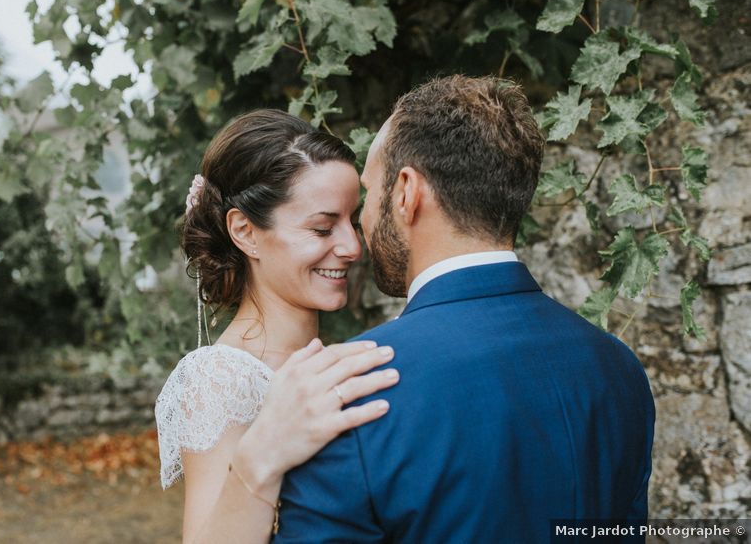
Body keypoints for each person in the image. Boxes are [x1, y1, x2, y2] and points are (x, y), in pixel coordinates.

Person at [273, 75, 656, 543]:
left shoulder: (348, 390)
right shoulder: (618, 366)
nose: (360, 231)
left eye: (370, 195)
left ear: (406, 192)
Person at [154, 109, 400, 544]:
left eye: (351, 220)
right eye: (323, 228)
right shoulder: (220, 380)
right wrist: (266, 450)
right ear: (245, 232)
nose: (351, 247)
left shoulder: (341, 356)